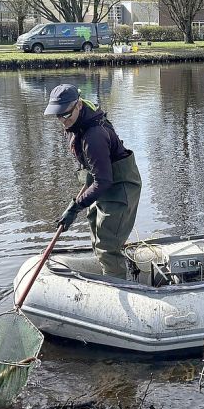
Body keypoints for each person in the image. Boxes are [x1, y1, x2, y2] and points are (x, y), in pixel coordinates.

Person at [45, 84, 142, 279]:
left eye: (66, 114)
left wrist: (75, 207)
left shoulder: (94, 136)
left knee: (107, 245)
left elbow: (104, 180)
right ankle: (107, 273)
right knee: (94, 226)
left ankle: (117, 285)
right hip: (102, 183)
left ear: (78, 105)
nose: (62, 120)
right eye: (58, 115)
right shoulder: (78, 123)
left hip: (119, 187)